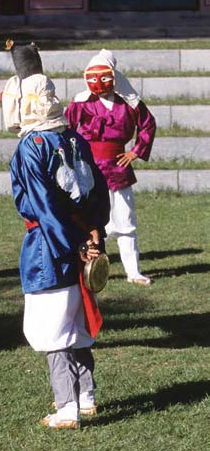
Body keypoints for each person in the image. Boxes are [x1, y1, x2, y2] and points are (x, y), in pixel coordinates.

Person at [3, 41, 110, 429]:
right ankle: (87, 396)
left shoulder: (32, 147)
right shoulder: (74, 138)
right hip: (82, 241)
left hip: (51, 248)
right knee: (76, 325)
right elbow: (97, 191)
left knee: (55, 330)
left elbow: (45, 205)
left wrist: (71, 247)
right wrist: (94, 236)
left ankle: (67, 407)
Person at [65, 49, 156, 286]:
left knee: (125, 219)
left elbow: (147, 124)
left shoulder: (129, 104)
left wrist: (135, 151)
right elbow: (66, 130)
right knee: (88, 218)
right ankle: (89, 266)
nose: (99, 83)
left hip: (117, 168)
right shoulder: (80, 104)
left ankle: (133, 271)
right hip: (88, 170)